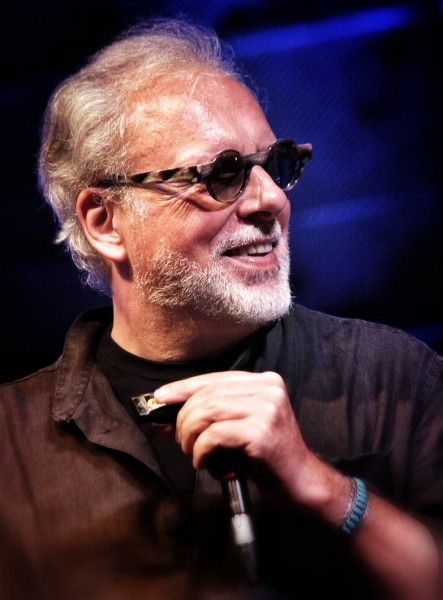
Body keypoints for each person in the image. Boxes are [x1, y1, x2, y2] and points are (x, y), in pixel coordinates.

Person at [0, 18, 442, 600]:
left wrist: (322, 487)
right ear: (105, 222)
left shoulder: (393, 377)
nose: (271, 199)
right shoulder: (11, 445)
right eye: (222, 174)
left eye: (276, 165)